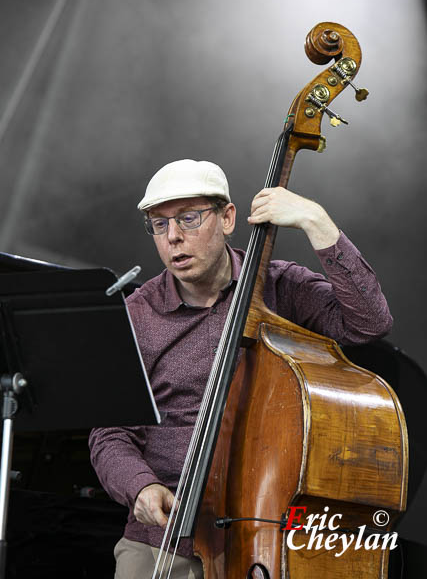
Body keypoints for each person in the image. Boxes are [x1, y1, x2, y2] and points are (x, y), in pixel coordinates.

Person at [89, 159, 392, 579]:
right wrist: (140, 486)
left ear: (227, 217)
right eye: (159, 225)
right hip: (165, 538)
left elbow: (369, 322)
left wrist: (316, 222)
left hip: (265, 532)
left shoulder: (278, 287)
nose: (173, 237)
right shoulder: (137, 315)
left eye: (188, 218)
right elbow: (109, 431)